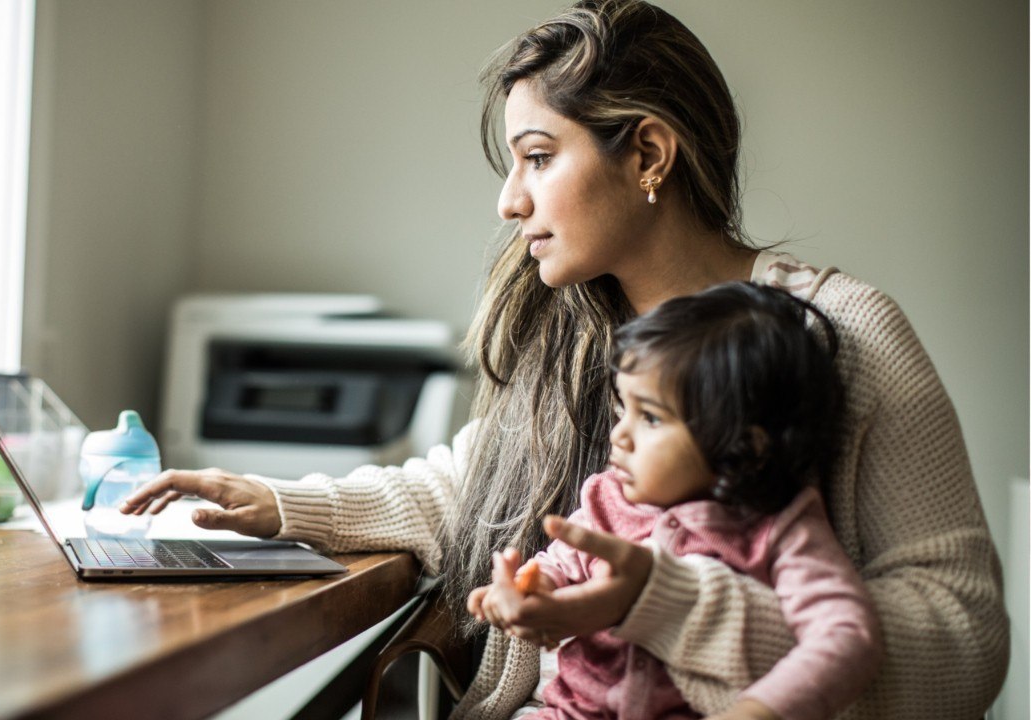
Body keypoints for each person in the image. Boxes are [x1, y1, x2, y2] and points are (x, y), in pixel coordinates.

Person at [122, 1, 1009, 717]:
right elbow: (469, 492)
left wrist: (665, 607)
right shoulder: (572, 334)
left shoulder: (841, 334)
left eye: (539, 158)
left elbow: (965, 639)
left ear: (649, 154)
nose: (510, 202)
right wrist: (280, 504)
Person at [467, 281, 883, 720]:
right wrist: (528, 591)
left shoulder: (782, 527)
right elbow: (556, 565)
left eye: (649, 417)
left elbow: (846, 636)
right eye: (623, 408)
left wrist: (758, 711)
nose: (619, 435)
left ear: (746, 444)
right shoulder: (607, 499)